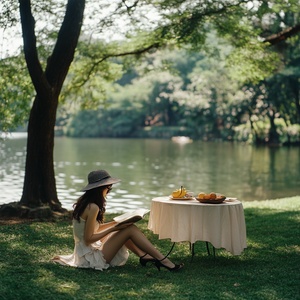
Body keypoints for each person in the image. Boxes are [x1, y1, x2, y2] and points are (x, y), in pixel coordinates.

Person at [52, 169, 183, 272]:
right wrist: (114, 228)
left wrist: (116, 223)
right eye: (108, 187)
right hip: (90, 257)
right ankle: (163, 260)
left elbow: (93, 230)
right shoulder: (93, 207)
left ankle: (144, 256)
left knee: (126, 227)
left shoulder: (87, 203)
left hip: (85, 252)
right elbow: (89, 238)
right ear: (100, 188)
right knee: (129, 229)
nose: (109, 190)